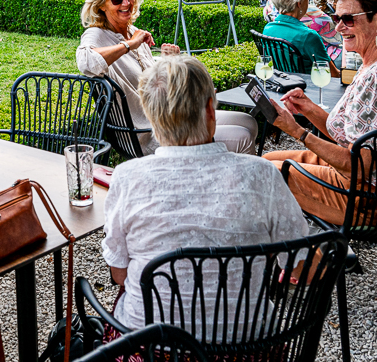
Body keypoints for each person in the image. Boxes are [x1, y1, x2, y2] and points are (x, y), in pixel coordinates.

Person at [100, 55, 308, 342]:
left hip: (150, 347)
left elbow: (120, 274)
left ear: (150, 115)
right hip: (247, 347)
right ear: (211, 110)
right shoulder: (263, 175)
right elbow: (298, 262)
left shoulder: (126, 177)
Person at [264, 0, 377, 225]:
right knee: (265, 162)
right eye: (336, 18)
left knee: (263, 174)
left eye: (348, 19)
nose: (339, 28)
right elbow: (351, 135)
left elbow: (358, 167)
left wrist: (297, 131)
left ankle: (303, 253)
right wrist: (309, 108)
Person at [76, 0, 258, 154]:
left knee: (248, 122)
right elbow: (86, 62)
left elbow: (155, 86)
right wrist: (130, 44)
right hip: (148, 133)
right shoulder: (96, 34)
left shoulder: (132, 31)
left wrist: (169, 63)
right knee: (241, 137)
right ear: (100, 5)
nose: (126, 2)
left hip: (170, 118)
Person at [263, 0, 342, 65]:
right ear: (299, 2)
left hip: (283, 71)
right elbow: (331, 71)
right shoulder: (309, 35)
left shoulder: (268, 28)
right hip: (308, 75)